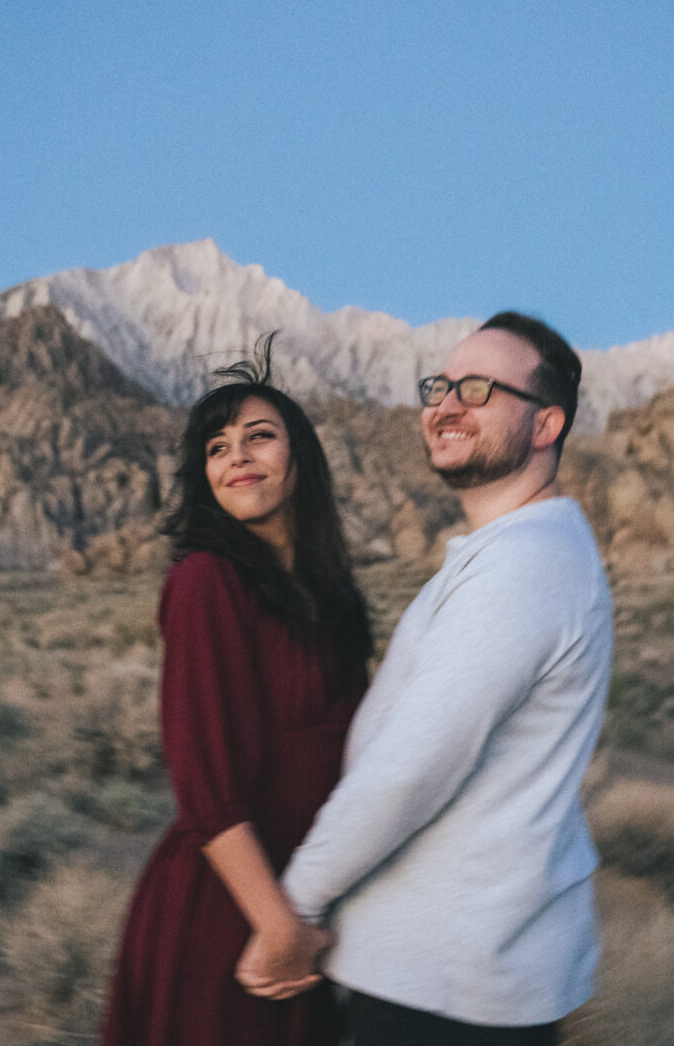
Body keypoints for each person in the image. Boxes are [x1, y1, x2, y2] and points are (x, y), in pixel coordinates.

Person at [239, 312, 613, 1046]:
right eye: (439, 386)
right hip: (444, 968)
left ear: (546, 426)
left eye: (478, 389)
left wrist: (295, 908)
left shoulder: (524, 567)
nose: (445, 404)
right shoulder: (506, 552)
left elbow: (414, 766)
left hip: (452, 988)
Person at [99, 336, 371, 1046]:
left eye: (259, 437)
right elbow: (206, 788)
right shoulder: (206, 583)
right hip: (230, 913)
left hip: (305, 897)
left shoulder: (330, 599)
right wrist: (278, 926)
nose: (238, 456)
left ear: (299, 458)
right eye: (216, 448)